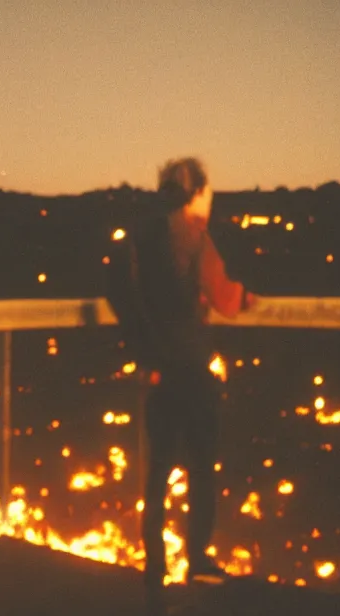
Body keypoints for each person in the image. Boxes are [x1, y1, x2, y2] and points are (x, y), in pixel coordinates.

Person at [108, 157, 257, 592]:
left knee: (158, 469)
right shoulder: (193, 236)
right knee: (201, 466)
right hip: (191, 368)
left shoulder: (139, 238)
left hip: (157, 370)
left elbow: (117, 288)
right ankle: (198, 560)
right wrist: (252, 300)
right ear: (196, 194)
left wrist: (143, 346)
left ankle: (154, 564)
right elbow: (226, 299)